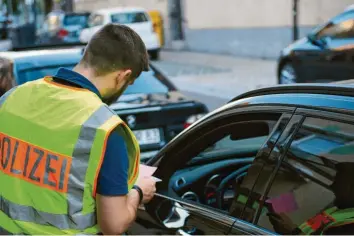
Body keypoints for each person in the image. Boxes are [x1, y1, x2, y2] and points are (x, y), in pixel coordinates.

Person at [0, 23, 156, 235]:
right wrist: (138, 191)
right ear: (122, 76)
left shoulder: (11, 99)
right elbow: (114, 224)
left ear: (87, 55)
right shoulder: (105, 129)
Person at [268, 162, 354, 235]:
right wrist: (291, 230)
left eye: (338, 182)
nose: (332, 186)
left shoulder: (343, 227)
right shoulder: (337, 210)